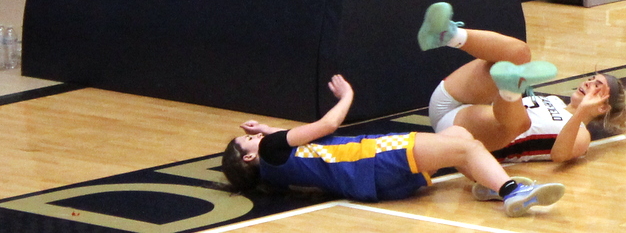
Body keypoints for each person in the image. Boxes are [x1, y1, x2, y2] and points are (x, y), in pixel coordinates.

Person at [221, 74, 565, 217]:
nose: (257, 136)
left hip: (372, 182)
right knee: (469, 148)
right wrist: (347, 96)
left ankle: (488, 185)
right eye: (250, 139)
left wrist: (265, 129)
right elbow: (325, 126)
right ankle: (511, 192)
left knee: (460, 137)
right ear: (250, 156)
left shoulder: (275, 172)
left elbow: (297, 143)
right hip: (374, 158)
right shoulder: (271, 149)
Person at [419, 2, 626, 163]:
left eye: (597, 87)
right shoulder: (554, 100)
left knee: (521, 123)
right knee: (520, 54)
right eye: (591, 79)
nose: (589, 83)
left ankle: (510, 89)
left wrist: (580, 114)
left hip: (466, 135)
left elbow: (559, 155)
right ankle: (448, 35)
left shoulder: (582, 135)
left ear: (603, 107)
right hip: (454, 104)